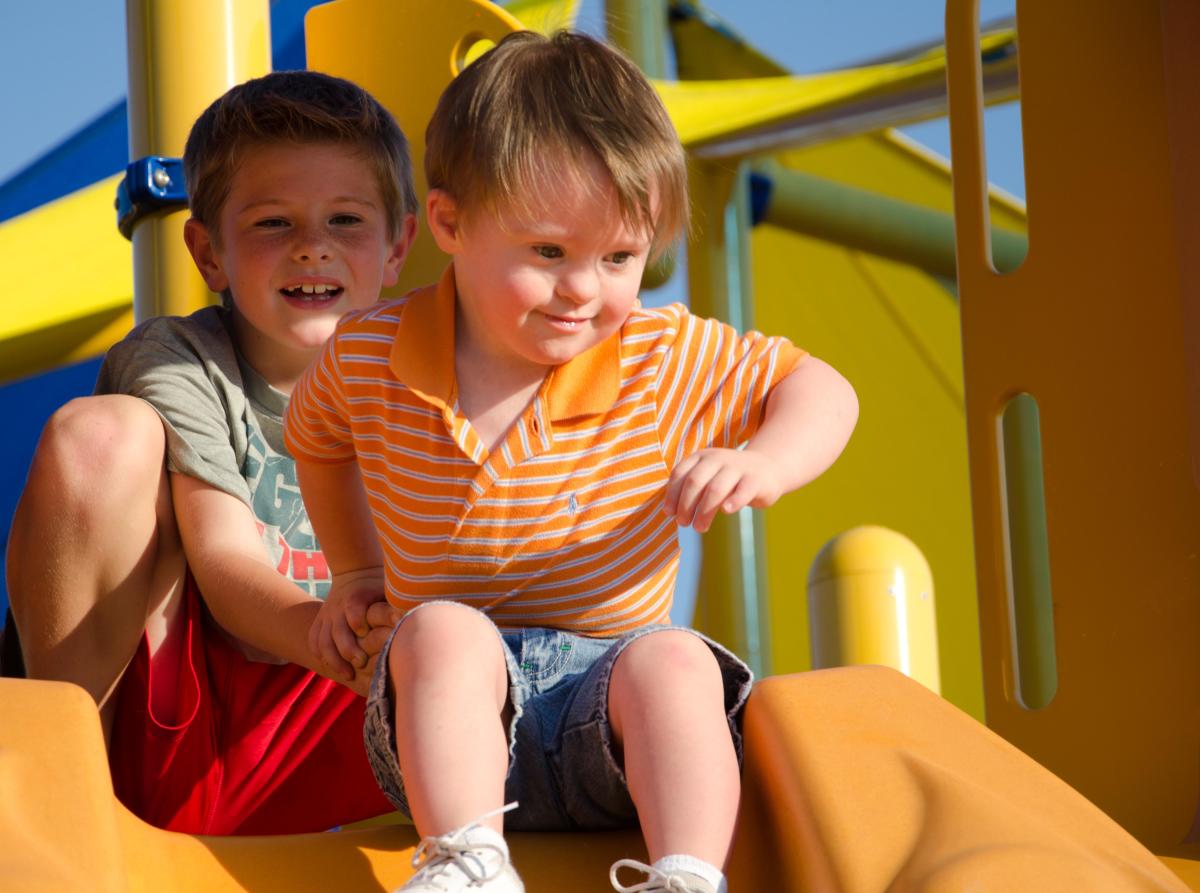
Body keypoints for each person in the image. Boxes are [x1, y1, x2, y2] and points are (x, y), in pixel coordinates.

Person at [285, 30, 857, 893]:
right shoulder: (373, 354)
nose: (585, 288)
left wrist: (766, 459)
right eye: (549, 252)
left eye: (620, 257)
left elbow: (820, 386)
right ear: (449, 223)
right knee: (440, 629)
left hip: (615, 718)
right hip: (452, 738)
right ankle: (466, 863)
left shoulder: (660, 353)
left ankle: (689, 873)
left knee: (676, 662)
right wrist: (359, 565)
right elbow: (316, 437)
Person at [5, 70, 417, 835]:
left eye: (346, 219)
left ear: (399, 245)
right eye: (272, 224)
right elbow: (227, 566)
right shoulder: (182, 360)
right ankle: (59, 777)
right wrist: (334, 639)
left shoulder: (430, 377)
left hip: (351, 731)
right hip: (184, 723)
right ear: (209, 252)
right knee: (99, 436)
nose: (312, 248)